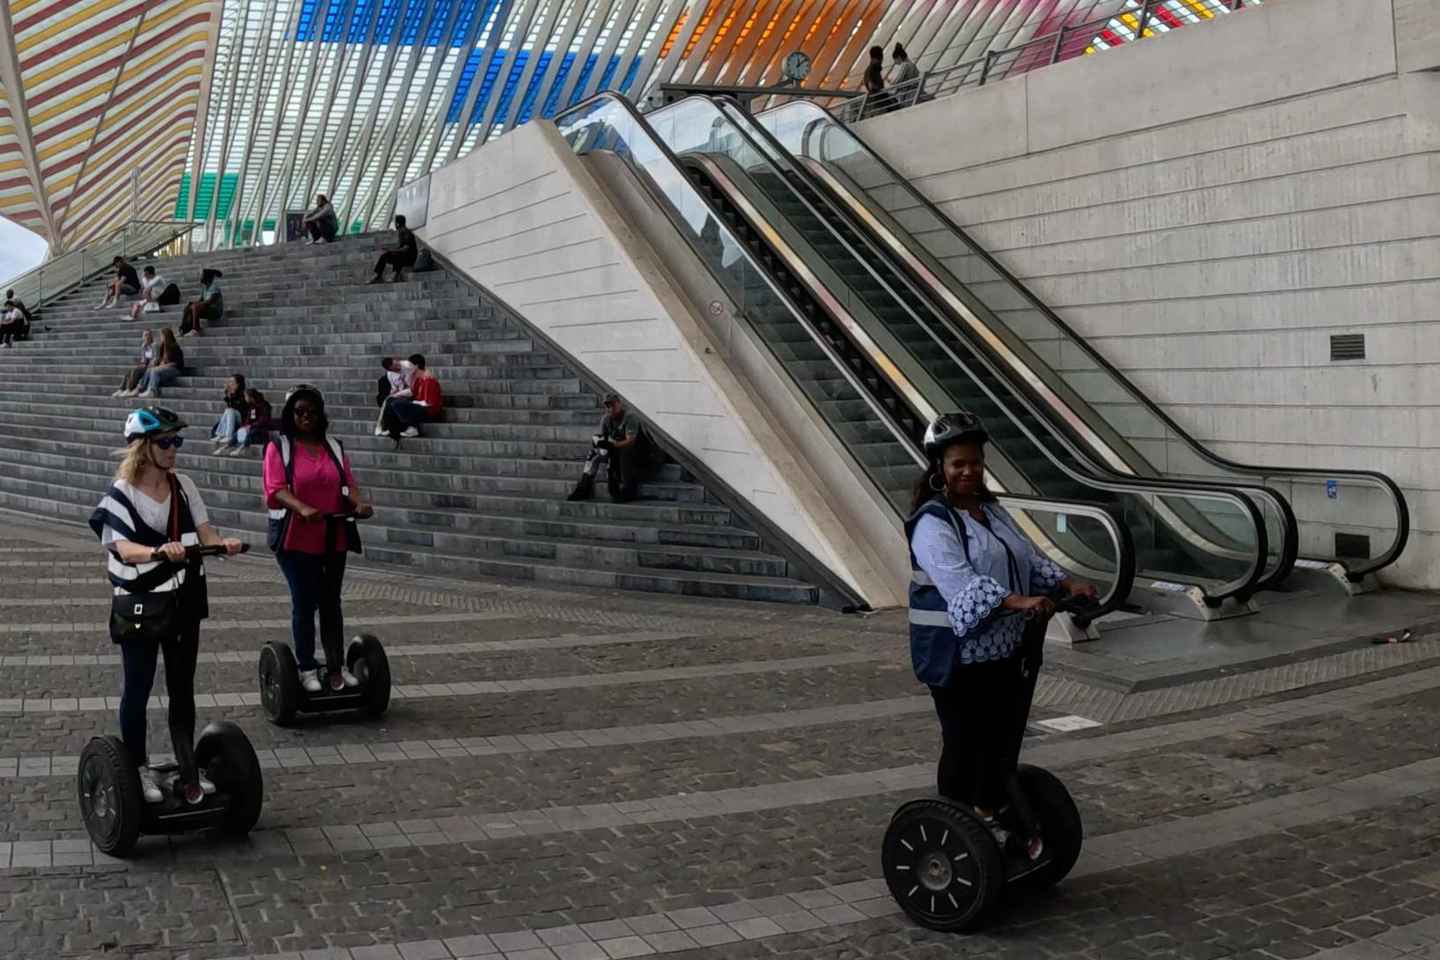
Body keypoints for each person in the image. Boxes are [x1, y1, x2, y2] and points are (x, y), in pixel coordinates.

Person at [905, 412, 1097, 861]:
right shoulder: (932, 523)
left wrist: (1065, 584)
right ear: (939, 469)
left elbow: (1027, 558)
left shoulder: (991, 512)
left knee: (1000, 740)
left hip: (1007, 649)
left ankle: (991, 813)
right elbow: (959, 584)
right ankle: (954, 828)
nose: (969, 470)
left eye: (975, 462)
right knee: (965, 742)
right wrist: (1018, 602)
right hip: (956, 656)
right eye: (958, 464)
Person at [87, 406, 244, 805]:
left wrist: (223, 544)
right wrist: (158, 550)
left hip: (183, 599)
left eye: (177, 441)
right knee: (137, 687)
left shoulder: (184, 485)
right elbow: (122, 548)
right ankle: (137, 767)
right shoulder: (120, 494)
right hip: (140, 604)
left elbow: (205, 531)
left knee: (182, 687)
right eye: (165, 442)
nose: (173, 449)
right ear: (142, 447)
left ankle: (186, 764)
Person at [264, 385, 373, 692]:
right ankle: (307, 667)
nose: (306, 417)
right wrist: (302, 507)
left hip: (332, 535)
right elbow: (276, 489)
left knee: (331, 603)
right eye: (299, 412)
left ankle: (336, 667)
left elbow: (347, 483)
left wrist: (358, 503)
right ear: (290, 415)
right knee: (304, 602)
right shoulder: (279, 447)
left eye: (311, 412)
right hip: (295, 538)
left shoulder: (333, 447)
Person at [567, 393, 652, 503]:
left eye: (613, 405)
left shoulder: (630, 417)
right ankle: (584, 487)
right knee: (594, 454)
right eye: (607, 406)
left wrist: (612, 445)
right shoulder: (606, 419)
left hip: (641, 453)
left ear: (619, 404)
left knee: (625, 451)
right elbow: (603, 439)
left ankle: (629, 489)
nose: (610, 408)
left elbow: (631, 440)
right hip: (617, 449)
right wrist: (599, 444)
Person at [379, 354, 441, 439]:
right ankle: (391, 427)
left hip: (429, 411)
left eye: (411, 366)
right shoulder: (417, 379)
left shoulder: (428, 381)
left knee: (398, 404)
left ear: (416, 366)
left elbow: (430, 404)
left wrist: (413, 402)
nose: (409, 369)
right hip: (419, 405)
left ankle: (412, 428)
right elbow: (412, 391)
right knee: (392, 401)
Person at [136, 328, 183, 398]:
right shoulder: (163, 346)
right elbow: (161, 360)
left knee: (155, 371)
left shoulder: (174, 347)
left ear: (166, 336)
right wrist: (160, 364)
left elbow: (177, 364)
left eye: (161, 335)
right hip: (166, 368)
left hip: (175, 369)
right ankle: (141, 388)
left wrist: (163, 366)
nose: (160, 337)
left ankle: (152, 391)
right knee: (150, 370)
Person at [370, 215, 418, 283]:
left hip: (409, 258)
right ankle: (385, 275)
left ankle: (385, 275)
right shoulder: (402, 232)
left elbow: (406, 249)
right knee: (389, 255)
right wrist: (390, 250)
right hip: (406, 256)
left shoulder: (406, 232)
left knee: (390, 256)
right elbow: (401, 248)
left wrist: (391, 250)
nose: (395, 224)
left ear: (397, 224)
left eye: (395, 222)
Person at [211, 374, 249, 454]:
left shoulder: (244, 394)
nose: (230, 384)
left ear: (238, 384)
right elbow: (230, 406)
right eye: (230, 382)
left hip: (242, 419)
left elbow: (241, 408)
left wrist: (232, 395)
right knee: (228, 410)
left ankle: (228, 435)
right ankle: (221, 434)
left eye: (232, 382)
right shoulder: (232, 394)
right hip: (233, 417)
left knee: (230, 410)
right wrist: (228, 394)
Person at [180, 269, 224, 337]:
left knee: (195, 307)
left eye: (201, 275)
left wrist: (196, 305)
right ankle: (183, 330)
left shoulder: (215, 287)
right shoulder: (205, 288)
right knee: (190, 306)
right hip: (207, 309)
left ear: (206, 277)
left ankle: (196, 330)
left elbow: (210, 302)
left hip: (215, 312)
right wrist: (191, 304)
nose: (200, 277)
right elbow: (200, 301)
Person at [231, 388, 275, 456]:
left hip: (262, 429)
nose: (245, 398)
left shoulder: (264, 405)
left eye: (246, 396)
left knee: (252, 432)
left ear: (251, 397)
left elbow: (263, 420)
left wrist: (251, 426)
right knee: (238, 432)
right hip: (253, 427)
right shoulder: (252, 406)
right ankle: (227, 446)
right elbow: (249, 419)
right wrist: (245, 426)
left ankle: (241, 448)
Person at [112, 329, 156, 397]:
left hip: (151, 366)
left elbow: (155, 359)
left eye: (147, 335)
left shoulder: (154, 345)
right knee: (129, 372)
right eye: (144, 335)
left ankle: (129, 389)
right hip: (145, 365)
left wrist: (147, 364)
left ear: (151, 336)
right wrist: (141, 363)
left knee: (136, 371)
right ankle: (121, 389)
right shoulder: (144, 346)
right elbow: (143, 359)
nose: (146, 337)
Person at [374, 357, 410, 436]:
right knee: (387, 401)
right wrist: (393, 392)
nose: (398, 366)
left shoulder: (407, 366)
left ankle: (384, 426)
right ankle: (385, 426)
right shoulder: (390, 374)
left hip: (410, 391)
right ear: (390, 369)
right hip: (400, 393)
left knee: (392, 401)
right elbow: (394, 387)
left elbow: (413, 384)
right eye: (394, 367)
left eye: (396, 363)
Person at [863, 45, 886, 115]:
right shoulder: (872, 70)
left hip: (878, 102)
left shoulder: (874, 69)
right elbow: (871, 85)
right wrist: (879, 90)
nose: (882, 60)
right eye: (881, 58)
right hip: (878, 103)